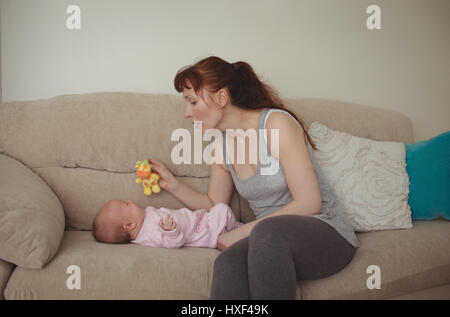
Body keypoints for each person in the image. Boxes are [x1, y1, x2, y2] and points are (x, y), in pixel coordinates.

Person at [148, 56, 359, 299]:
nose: (187, 113)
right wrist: (171, 184)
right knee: (227, 262)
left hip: (327, 234)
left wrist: (243, 231)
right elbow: (214, 204)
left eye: (193, 101)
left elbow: (310, 203)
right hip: (269, 243)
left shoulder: (275, 124)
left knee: (267, 234)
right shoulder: (221, 147)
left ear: (221, 98)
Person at [92, 199, 242, 249]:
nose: (130, 201)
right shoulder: (151, 231)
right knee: (222, 209)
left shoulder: (144, 221)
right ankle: (236, 231)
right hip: (206, 231)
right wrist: (171, 232)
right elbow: (173, 243)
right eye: (126, 204)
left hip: (200, 220)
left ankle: (236, 230)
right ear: (129, 225)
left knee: (220, 211)